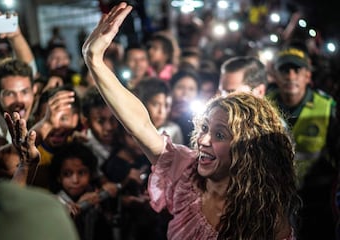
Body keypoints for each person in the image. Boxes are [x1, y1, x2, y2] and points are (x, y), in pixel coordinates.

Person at [82, 3, 301, 239]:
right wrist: (94, 59)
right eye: (204, 128)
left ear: (247, 147)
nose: (203, 140)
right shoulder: (186, 173)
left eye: (219, 134)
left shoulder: (267, 217)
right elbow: (141, 126)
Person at [268, 43, 339, 240]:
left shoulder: (327, 107)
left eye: (297, 70)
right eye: (285, 70)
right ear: (275, 75)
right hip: (274, 203)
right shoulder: (263, 106)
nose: (291, 76)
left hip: (316, 202)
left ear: (308, 76)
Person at [49, 141, 119, 240]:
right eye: (67, 174)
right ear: (58, 177)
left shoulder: (95, 194)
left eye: (81, 173)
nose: (75, 180)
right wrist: (79, 205)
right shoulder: (54, 202)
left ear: (91, 174)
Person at [133, 78, 183, 144]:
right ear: (142, 103)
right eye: (155, 104)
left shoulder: (173, 131)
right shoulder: (131, 128)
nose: (162, 111)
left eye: (166, 105)